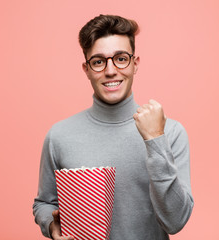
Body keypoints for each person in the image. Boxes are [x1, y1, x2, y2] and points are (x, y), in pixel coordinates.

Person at [33, 14, 194, 240]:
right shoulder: (59, 135)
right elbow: (44, 203)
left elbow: (175, 222)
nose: (110, 71)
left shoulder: (170, 132)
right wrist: (52, 227)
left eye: (120, 58)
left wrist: (155, 139)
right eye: (98, 61)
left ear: (134, 64)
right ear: (86, 69)